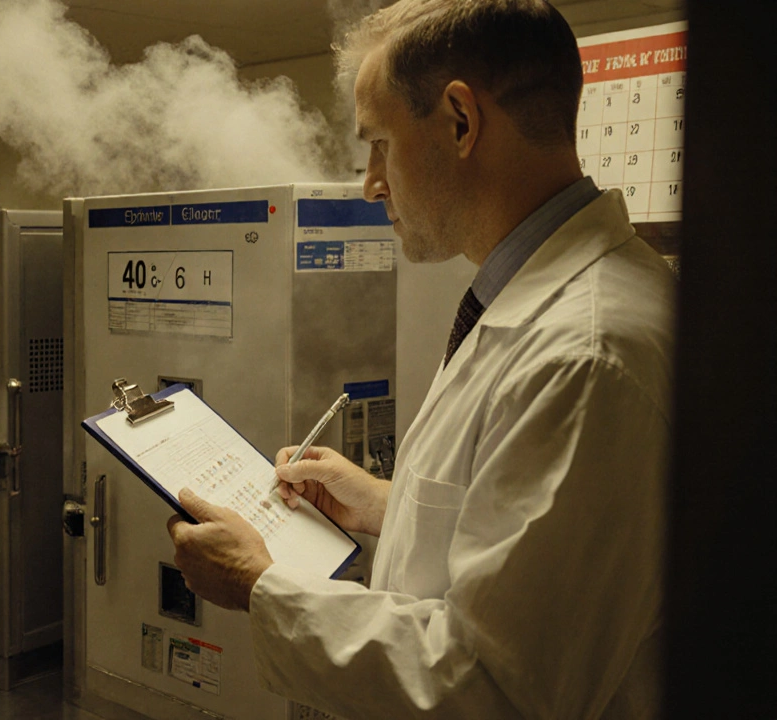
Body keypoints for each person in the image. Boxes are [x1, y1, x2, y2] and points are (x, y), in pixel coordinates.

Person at [166, 1, 672, 717]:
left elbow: (494, 687)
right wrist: (388, 501)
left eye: (380, 144)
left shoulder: (588, 355)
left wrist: (260, 584)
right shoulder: (533, 301)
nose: (373, 183)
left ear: (461, 121)